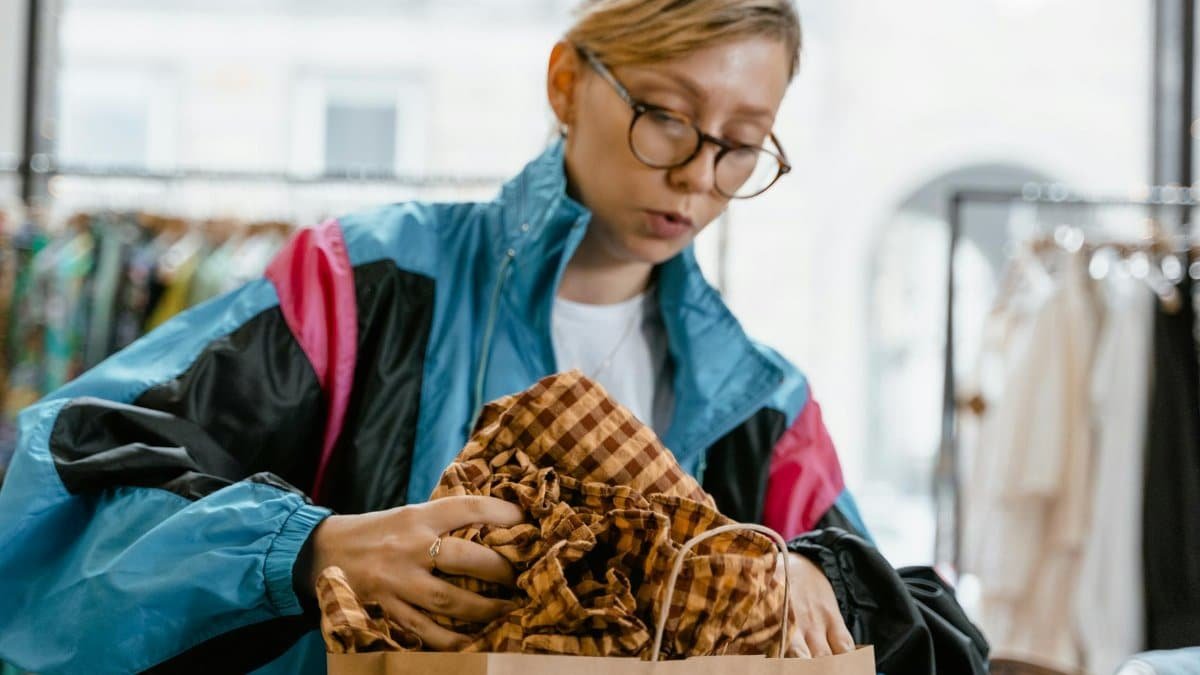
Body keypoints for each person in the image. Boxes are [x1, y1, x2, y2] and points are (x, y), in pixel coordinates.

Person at [0, 1, 871, 673]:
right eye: (668, 115)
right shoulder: (363, 283)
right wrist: (310, 547)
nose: (697, 174)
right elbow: (61, 485)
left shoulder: (760, 402)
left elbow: (931, 622)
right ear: (566, 82)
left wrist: (818, 573)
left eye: (744, 145)